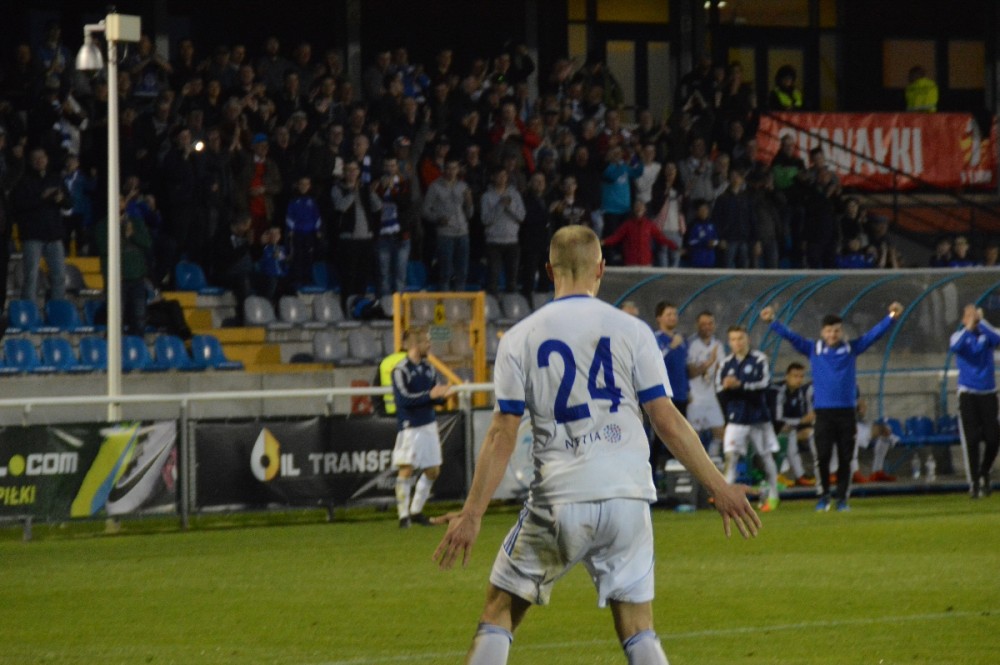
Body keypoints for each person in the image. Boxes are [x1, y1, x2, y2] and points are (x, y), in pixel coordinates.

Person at [432, 225, 760, 665]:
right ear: (601, 268)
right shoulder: (633, 331)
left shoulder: (519, 338)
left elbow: (501, 433)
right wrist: (719, 486)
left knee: (499, 612)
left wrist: (472, 514)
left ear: (549, 271)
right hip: (627, 498)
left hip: (561, 497)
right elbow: (666, 419)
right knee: (639, 627)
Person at [761, 302, 903, 511]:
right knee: (823, 457)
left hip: (846, 413)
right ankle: (824, 497)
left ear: (841, 331)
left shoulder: (851, 348)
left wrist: (891, 318)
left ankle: (842, 499)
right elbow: (791, 337)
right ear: (822, 332)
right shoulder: (813, 349)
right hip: (824, 413)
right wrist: (772, 321)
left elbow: (873, 335)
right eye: (829, 331)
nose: (832, 334)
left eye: (836, 331)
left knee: (846, 458)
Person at [391, 326, 453, 528]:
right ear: (416, 344)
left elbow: (433, 397)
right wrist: (430, 395)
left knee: (433, 471)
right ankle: (403, 517)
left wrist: (443, 397)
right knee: (406, 469)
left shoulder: (429, 368)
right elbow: (403, 399)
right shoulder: (400, 370)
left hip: (429, 425)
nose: (430, 344)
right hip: (410, 427)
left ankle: (416, 511)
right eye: (426, 341)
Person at [716, 325, 781, 512]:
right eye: (733, 339)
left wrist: (739, 385)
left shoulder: (759, 359)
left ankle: (774, 495)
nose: (737, 343)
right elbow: (719, 390)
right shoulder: (726, 364)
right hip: (736, 419)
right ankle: (727, 500)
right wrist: (727, 388)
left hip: (759, 418)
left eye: (740, 338)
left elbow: (765, 384)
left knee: (766, 458)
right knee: (731, 458)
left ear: (747, 340)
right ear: (729, 342)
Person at [949, 305, 1000, 498]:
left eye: (974, 314)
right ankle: (975, 484)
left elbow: (997, 339)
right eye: (968, 315)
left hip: (988, 393)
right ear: (963, 319)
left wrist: (982, 323)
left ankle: (984, 471)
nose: (972, 317)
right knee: (971, 439)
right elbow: (955, 347)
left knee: (993, 438)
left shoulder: (987, 334)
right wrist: (969, 326)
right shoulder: (958, 336)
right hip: (968, 394)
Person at [651, 302, 690, 477]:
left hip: (680, 395)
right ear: (659, 318)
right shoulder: (655, 338)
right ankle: (653, 479)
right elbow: (654, 362)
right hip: (663, 396)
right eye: (669, 314)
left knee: (681, 438)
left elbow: (683, 367)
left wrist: (688, 388)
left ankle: (678, 478)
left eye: (675, 314)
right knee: (659, 438)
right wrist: (671, 347)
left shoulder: (682, 340)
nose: (673, 317)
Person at [770, 362, 817, 488]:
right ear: (787, 376)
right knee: (789, 436)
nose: (799, 380)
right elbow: (778, 419)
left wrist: (804, 422)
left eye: (801, 376)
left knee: (812, 433)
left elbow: (799, 417)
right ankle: (797, 476)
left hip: (787, 430)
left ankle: (817, 473)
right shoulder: (778, 391)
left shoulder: (799, 392)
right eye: (795, 376)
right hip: (769, 430)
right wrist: (801, 421)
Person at [686, 310, 726, 457]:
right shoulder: (691, 344)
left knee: (720, 433)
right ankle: (694, 465)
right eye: (703, 324)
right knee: (693, 436)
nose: (707, 327)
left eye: (710, 323)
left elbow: (721, 369)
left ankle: (712, 462)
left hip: (711, 396)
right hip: (695, 397)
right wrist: (709, 363)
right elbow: (691, 372)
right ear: (697, 325)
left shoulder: (718, 345)